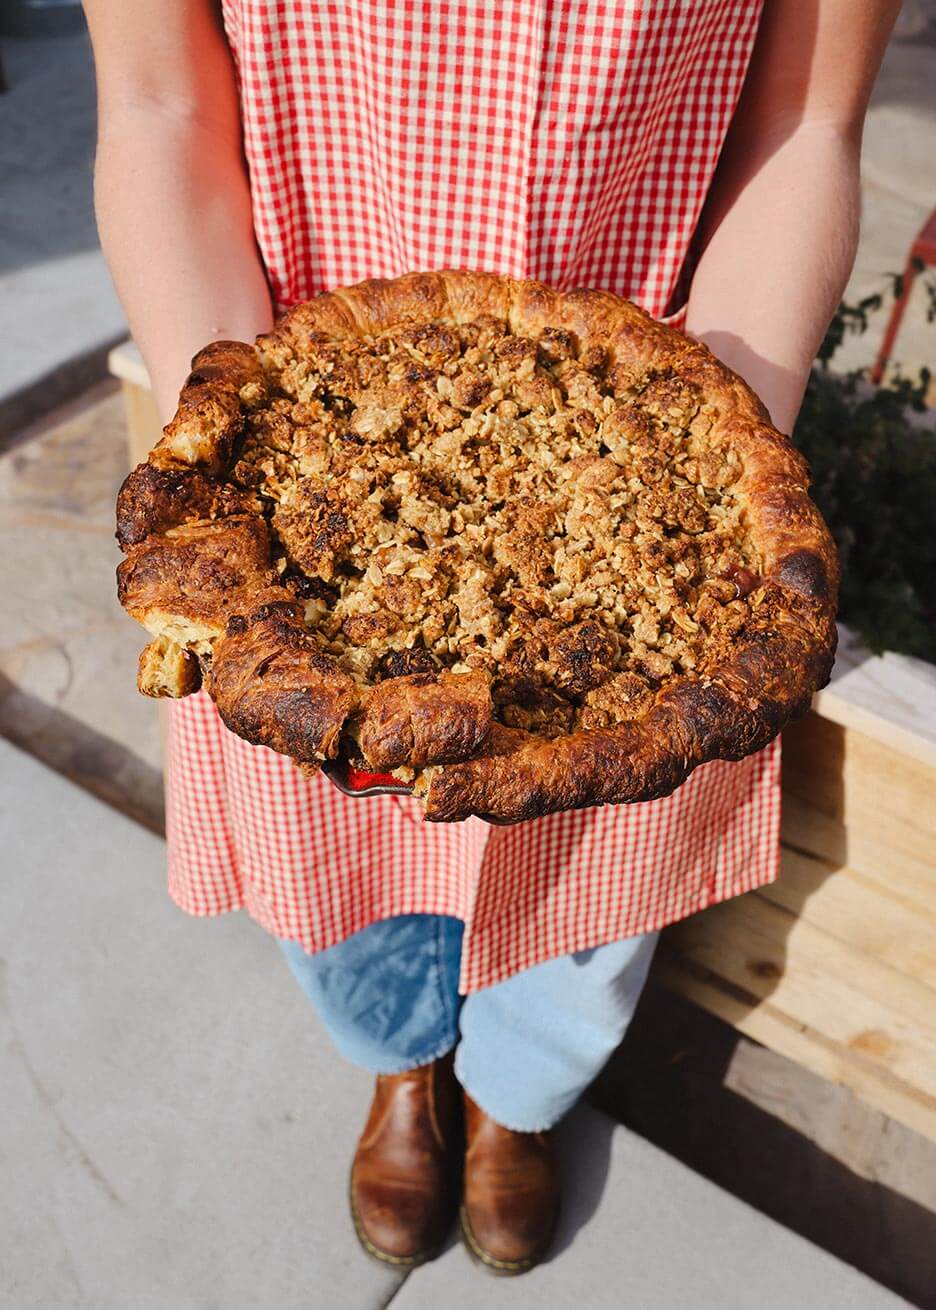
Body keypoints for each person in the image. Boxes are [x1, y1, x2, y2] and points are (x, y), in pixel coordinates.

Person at [85, 0, 899, 1277]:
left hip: (641, 438)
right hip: (309, 457)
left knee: (599, 838)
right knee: (326, 825)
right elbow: (159, 103)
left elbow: (806, 118)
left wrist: (701, 473)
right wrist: (232, 474)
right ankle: (401, 1055)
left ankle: (522, 1089)